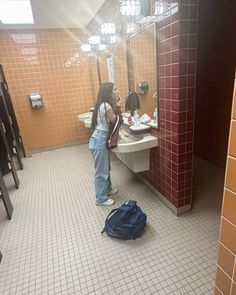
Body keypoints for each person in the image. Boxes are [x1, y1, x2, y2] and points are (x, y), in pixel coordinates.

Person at [89, 82, 120, 206]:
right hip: (100, 139)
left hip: (98, 138)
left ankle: (107, 189)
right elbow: (115, 121)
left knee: (105, 167)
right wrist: (117, 104)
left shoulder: (101, 104)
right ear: (109, 92)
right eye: (115, 90)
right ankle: (100, 198)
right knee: (101, 171)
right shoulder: (106, 105)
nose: (117, 92)